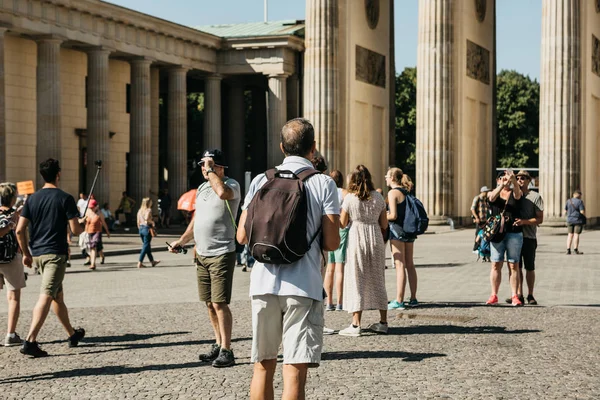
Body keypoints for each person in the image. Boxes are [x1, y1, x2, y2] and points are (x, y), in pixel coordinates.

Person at [236, 118, 340, 400]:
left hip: (262, 283)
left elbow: (242, 237)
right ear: (313, 148)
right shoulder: (323, 183)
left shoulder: (261, 179)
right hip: (303, 286)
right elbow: (331, 242)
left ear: (282, 147)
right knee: (293, 370)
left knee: (262, 366)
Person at [170, 148, 241, 368]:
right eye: (202, 165)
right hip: (201, 253)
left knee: (220, 303)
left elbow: (222, 194)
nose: (204, 168)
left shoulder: (232, 185)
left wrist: (212, 174)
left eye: (209, 164)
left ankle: (227, 350)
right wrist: (181, 241)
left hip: (221, 253)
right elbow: (196, 219)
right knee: (209, 303)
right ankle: (218, 343)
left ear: (220, 167)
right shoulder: (201, 188)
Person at [15, 159, 86, 358]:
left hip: (37, 254)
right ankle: (30, 341)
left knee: (57, 296)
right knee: (47, 294)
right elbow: (75, 229)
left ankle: (72, 335)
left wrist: (26, 254)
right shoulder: (65, 198)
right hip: (55, 255)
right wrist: (83, 222)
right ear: (58, 174)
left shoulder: (32, 199)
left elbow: (20, 230)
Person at [338, 165, 388, 336]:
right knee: (378, 277)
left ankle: (355, 324)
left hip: (356, 236)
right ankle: (383, 321)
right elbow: (384, 224)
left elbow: (343, 223)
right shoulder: (379, 197)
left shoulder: (350, 199)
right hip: (375, 237)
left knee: (356, 277)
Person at [485, 170, 523, 307]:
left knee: (513, 264)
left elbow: (518, 195)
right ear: (497, 180)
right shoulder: (492, 192)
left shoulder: (515, 192)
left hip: (513, 232)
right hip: (496, 234)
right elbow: (491, 198)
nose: (504, 180)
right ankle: (493, 295)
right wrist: (502, 185)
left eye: (506, 178)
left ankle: (514, 295)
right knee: (496, 264)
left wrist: (513, 181)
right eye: (501, 178)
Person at [505, 170, 543, 305]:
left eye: (523, 178)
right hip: (513, 236)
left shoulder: (535, 196)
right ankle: (518, 294)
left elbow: (540, 219)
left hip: (528, 236)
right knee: (516, 267)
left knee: (530, 267)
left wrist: (524, 222)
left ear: (529, 180)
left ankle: (530, 295)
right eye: (518, 178)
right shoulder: (512, 194)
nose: (520, 180)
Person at [385, 167, 418, 310]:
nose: (385, 178)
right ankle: (413, 298)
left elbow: (393, 215)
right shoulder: (406, 191)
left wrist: (382, 216)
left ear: (392, 178)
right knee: (410, 264)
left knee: (399, 265)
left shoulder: (393, 193)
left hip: (397, 231)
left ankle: (399, 300)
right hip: (409, 231)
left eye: (387, 176)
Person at [0, 183, 27, 346]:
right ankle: (10, 334)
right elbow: (21, 233)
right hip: (11, 257)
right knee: (13, 296)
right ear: (12, 198)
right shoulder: (15, 215)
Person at [324, 170, 348, 312]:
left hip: (329, 228)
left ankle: (329, 302)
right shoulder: (345, 193)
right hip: (342, 229)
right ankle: (340, 302)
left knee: (329, 269)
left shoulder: (328, 191)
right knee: (340, 268)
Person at [84, 199, 110, 270]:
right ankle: (102, 255)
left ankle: (93, 264)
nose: (91, 208)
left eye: (92, 207)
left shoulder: (99, 214)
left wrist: (107, 231)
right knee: (98, 247)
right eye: (90, 207)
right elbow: (86, 223)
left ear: (96, 207)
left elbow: (104, 223)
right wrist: (85, 232)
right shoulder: (88, 212)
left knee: (93, 246)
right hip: (89, 232)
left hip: (97, 232)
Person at [137, 198, 160, 269]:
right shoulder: (148, 210)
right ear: (148, 203)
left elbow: (138, 221)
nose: (152, 203)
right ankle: (140, 262)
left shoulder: (140, 211)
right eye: (151, 202)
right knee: (145, 246)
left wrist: (140, 229)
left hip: (141, 228)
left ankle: (152, 261)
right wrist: (152, 222)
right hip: (147, 229)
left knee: (147, 246)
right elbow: (147, 219)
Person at [565, 190, 585, 255]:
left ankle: (568, 250)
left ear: (573, 194)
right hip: (578, 220)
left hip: (570, 219)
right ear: (579, 195)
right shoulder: (580, 202)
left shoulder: (568, 201)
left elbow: (565, 210)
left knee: (570, 235)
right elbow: (582, 211)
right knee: (576, 234)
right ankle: (575, 249)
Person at [471, 186, 491, 251]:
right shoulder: (477, 198)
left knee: (485, 235)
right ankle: (476, 248)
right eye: (486, 192)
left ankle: (483, 249)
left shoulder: (486, 199)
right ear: (483, 192)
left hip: (485, 220)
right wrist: (476, 218)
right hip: (479, 220)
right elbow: (472, 209)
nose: (487, 193)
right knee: (478, 235)